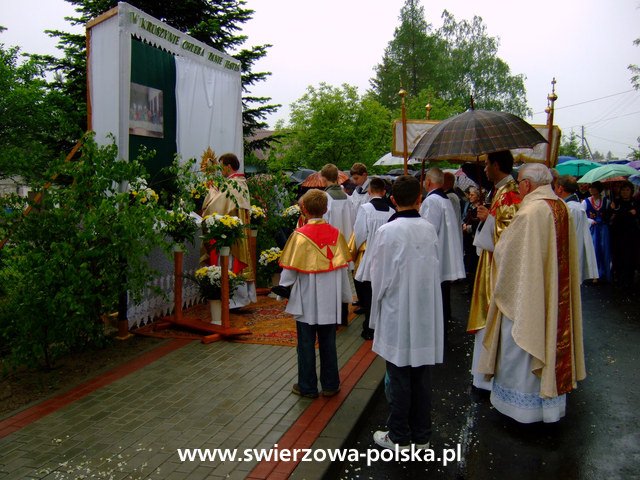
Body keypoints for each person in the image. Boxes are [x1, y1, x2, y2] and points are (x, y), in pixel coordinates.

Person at [477, 163, 586, 423]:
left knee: (522, 343)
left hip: (528, 296)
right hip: (553, 293)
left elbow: (506, 254)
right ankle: (548, 408)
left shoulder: (530, 211)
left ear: (526, 184)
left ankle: (521, 411)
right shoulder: (560, 206)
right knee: (549, 337)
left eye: (520, 184)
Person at [367, 175, 443, 450]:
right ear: (420, 199)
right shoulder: (428, 228)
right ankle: (421, 435)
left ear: (393, 199)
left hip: (398, 311)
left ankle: (398, 435)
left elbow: (380, 276)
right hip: (424, 310)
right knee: (421, 375)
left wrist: (375, 309)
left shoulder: (389, 232)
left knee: (399, 375)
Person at [278, 189, 352, 399]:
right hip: (330, 299)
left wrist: (282, 290)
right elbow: (342, 267)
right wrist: (345, 296)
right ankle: (330, 385)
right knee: (328, 341)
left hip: (307, 299)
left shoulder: (299, 236)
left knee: (305, 343)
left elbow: (289, 270)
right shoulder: (336, 234)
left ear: (304, 210)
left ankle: (307, 386)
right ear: (326, 209)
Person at [467, 150, 521, 391]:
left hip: (496, 265)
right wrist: (486, 217)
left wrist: (488, 218)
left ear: (497, 164)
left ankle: (487, 377)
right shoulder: (500, 190)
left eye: (487, 164)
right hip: (489, 261)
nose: (485, 169)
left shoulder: (509, 193)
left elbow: (509, 234)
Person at [201, 152, 256, 308]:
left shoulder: (235, 184)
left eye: (222, 167)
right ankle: (236, 299)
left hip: (231, 234)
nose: (221, 170)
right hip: (233, 231)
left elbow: (215, 205)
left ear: (228, 166)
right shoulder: (238, 182)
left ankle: (235, 301)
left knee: (231, 263)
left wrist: (211, 189)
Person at [419, 167, 465, 333]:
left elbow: (427, 230)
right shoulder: (444, 199)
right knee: (443, 290)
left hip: (435, 255)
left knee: (437, 292)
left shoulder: (431, 201)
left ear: (429, 181)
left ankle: (437, 326)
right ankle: (444, 320)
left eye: (424, 180)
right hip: (444, 252)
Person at [352, 177, 395, 340]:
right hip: (386, 256)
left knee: (369, 293)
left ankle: (369, 328)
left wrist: (357, 251)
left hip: (370, 254)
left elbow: (359, 233)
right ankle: (383, 327)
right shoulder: (392, 211)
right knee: (383, 293)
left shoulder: (365, 209)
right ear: (384, 192)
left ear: (369, 192)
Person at [321, 163, 356, 325]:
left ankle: (334, 318)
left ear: (323, 178)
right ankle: (343, 317)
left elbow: (324, 222)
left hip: (331, 246)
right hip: (346, 244)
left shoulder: (326, 199)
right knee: (344, 281)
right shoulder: (348, 198)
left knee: (332, 284)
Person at [555, 175, 599, 283]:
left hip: (568, 255)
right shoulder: (574, 206)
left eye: (555, 187)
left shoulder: (570, 208)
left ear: (560, 188)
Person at [609, 180, 640, 286]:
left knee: (631, 256)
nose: (625, 192)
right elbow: (607, 217)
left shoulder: (635, 203)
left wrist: (635, 213)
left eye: (627, 190)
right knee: (618, 256)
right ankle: (618, 276)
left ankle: (629, 277)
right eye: (623, 190)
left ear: (631, 191)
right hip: (618, 235)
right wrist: (611, 211)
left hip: (632, 235)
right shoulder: (615, 203)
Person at [581, 181, 612, 283]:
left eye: (593, 188)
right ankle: (593, 274)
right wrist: (590, 221)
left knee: (604, 249)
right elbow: (582, 216)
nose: (591, 190)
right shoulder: (586, 202)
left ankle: (604, 272)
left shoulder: (606, 201)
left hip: (603, 229)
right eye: (590, 188)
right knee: (594, 249)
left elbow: (608, 215)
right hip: (593, 229)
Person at [461, 186, 483, 284]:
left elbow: (479, 223)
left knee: (473, 260)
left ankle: (472, 283)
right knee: (468, 259)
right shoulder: (470, 207)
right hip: (468, 239)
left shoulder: (480, 208)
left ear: (478, 196)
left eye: (472, 195)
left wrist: (469, 227)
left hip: (474, 238)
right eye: (469, 195)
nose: (470, 197)